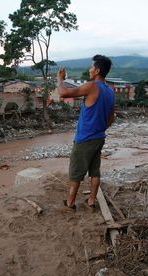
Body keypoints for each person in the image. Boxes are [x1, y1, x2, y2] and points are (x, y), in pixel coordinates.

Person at [57, 55, 115, 211]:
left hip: (85, 139)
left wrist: (60, 79)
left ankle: (70, 203)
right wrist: (100, 129)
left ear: (97, 70)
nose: (89, 70)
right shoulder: (110, 90)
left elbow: (63, 93)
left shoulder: (91, 86)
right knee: (95, 171)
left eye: (91, 67)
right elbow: (112, 118)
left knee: (76, 172)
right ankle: (91, 201)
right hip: (99, 137)